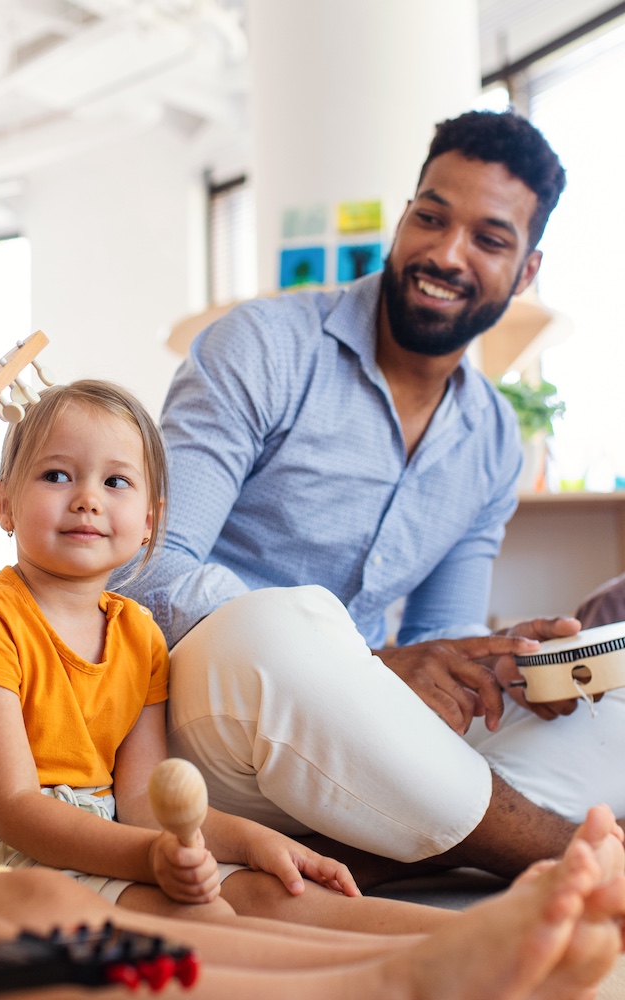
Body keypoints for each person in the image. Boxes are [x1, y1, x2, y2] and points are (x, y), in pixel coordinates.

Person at [0, 164, 624, 1000]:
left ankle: (426, 947)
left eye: (114, 483)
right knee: (20, 935)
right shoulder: (263, 348)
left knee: (62, 906)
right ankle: (390, 981)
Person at [118, 108, 625, 885]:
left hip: (357, 748)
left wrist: (499, 661)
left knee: (609, 721)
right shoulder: (261, 346)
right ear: (405, 216)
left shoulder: (491, 436)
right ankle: (557, 856)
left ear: (525, 272)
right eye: (431, 217)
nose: (445, 253)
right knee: (280, 626)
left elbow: (439, 631)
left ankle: (370, 851)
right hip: (214, 716)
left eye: (489, 239)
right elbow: (148, 567)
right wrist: (368, 666)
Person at [0, 379, 458, 934]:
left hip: (103, 833)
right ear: (2, 503)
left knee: (269, 886)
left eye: (116, 481)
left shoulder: (139, 637)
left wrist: (260, 841)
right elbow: (17, 812)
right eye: (56, 475)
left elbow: (144, 799)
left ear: (150, 521)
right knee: (198, 914)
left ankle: (462, 937)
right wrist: (149, 859)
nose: (87, 498)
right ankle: (373, 976)